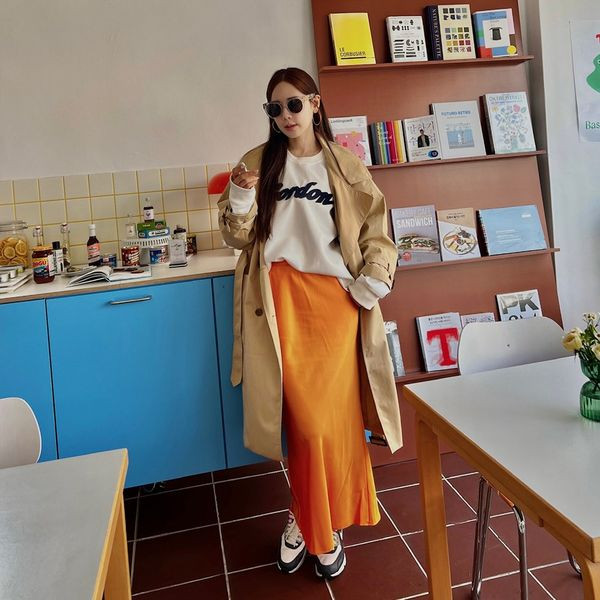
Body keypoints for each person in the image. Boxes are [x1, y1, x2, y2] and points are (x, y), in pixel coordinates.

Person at [218, 67, 402, 580]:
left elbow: (376, 229)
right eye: (274, 108)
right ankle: (316, 525)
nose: (285, 116)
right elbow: (236, 236)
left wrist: (369, 285)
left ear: (316, 104)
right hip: (277, 303)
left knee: (332, 424)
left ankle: (308, 521)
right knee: (302, 425)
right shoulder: (257, 163)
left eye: (294, 104)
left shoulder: (344, 164)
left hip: (334, 307)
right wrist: (239, 196)